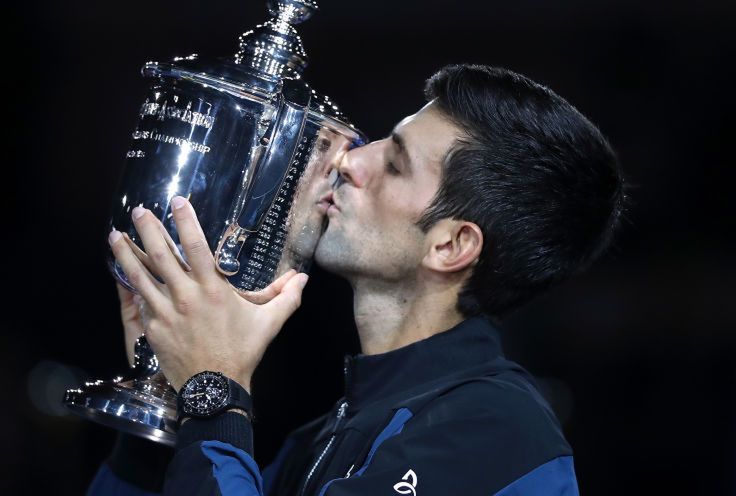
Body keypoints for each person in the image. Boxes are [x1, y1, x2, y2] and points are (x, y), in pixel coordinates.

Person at [89, 64, 626, 495]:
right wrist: (164, 399)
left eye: (394, 164)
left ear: (451, 246)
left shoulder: (492, 431)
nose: (350, 160)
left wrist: (213, 387)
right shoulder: (331, 435)